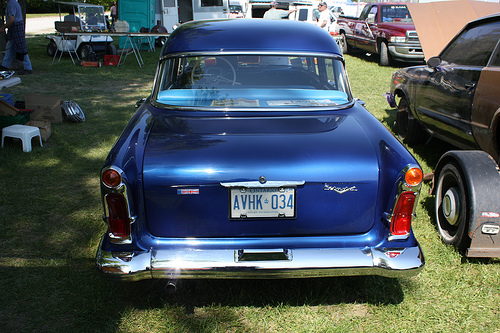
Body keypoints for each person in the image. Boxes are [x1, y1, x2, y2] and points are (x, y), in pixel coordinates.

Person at [0, 0, 32, 74]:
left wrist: (3, 27)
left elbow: (11, 19)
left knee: (21, 48)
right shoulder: (12, 2)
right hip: (15, 27)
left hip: (16, 27)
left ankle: (28, 68)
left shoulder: (11, 3)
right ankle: (5, 66)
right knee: (10, 47)